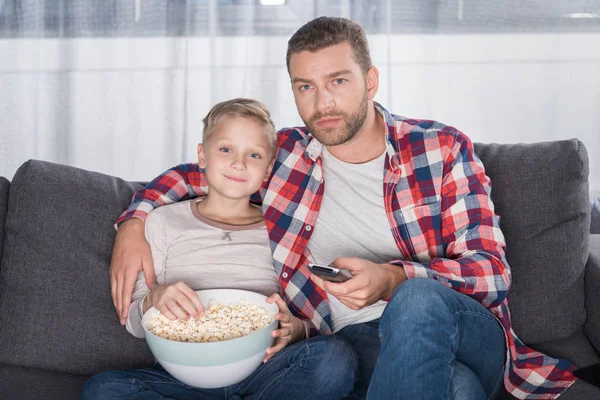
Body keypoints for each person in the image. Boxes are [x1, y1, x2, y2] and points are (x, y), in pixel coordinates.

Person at [109, 17, 577, 399]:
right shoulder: (286, 154)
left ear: (370, 80)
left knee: (413, 302)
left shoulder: (440, 148)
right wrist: (135, 220)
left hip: (464, 327)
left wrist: (393, 279)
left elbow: (493, 273)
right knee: (457, 389)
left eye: (337, 80)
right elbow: (205, 172)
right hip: (356, 340)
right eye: (305, 87)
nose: (323, 102)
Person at [82, 98, 358, 400]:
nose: (239, 163)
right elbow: (135, 321)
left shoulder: (282, 231)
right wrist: (154, 298)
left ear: (267, 172)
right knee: (102, 390)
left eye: (253, 155)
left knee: (335, 357)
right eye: (225, 149)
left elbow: (305, 313)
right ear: (202, 156)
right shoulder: (162, 221)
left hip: (263, 371)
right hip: (184, 378)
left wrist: (297, 329)